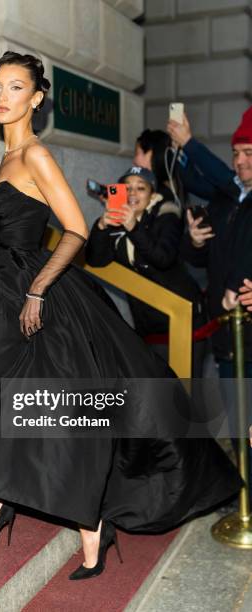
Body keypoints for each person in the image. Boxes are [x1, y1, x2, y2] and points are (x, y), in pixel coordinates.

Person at [0, 51, 241, 581]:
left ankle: (92, 526)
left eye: (15, 88)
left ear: (36, 99)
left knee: (59, 412)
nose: (2, 96)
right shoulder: (9, 158)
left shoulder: (36, 155)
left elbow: (76, 230)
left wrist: (37, 290)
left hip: (30, 290)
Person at [168, 109, 252, 498]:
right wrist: (196, 241)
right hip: (226, 333)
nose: (239, 161)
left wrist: (189, 143)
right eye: (236, 152)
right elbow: (197, 257)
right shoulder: (226, 201)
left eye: (249, 152)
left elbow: (218, 174)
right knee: (238, 419)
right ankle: (246, 493)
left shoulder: (236, 191)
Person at [85, 166, 206, 377]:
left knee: (186, 395)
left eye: (140, 188)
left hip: (183, 318)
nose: (132, 194)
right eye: (127, 188)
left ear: (152, 193)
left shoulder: (166, 215)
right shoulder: (118, 220)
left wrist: (133, 227)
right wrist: (102, 225)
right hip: (148, 324)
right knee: (159, 393)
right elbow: (96, 260)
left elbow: (162, 258)